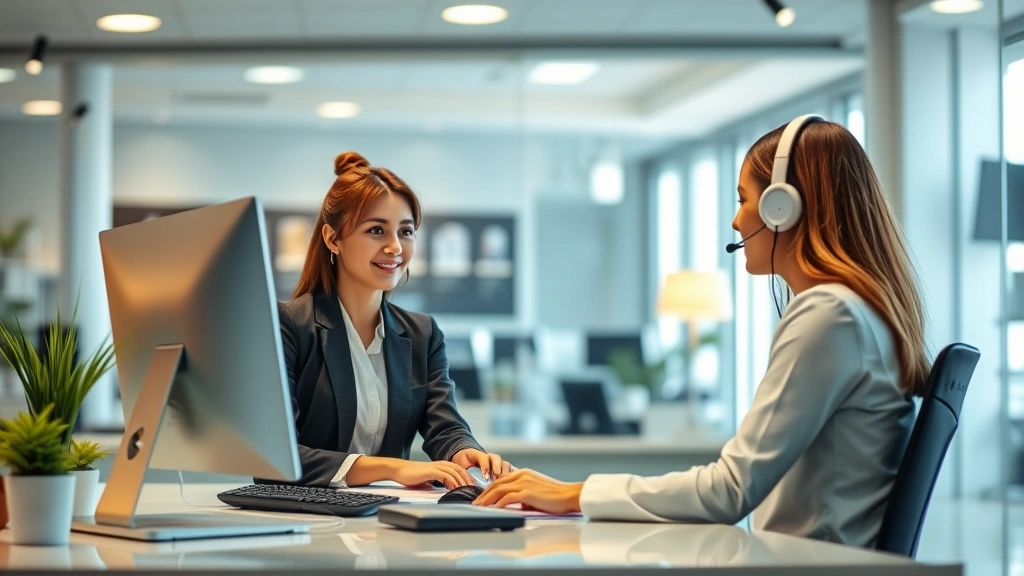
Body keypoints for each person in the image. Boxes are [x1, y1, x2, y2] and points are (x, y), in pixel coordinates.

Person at [474, 117, 930, 548]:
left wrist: (574, 493)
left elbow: (728, 491)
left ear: (782, 208)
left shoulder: (829, 314)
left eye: (743, 200)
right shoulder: (859, 312)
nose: (736, 221)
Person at [267, 151, 510, 490]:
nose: (395, 247)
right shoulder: (289, 326)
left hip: (383, 524)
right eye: (377, 230)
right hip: (302, 524)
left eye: (406, 231)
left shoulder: (423, 335)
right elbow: (276, 460)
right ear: (332, 239)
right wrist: (391, 469)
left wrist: (464, 451)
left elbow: (445, 426)